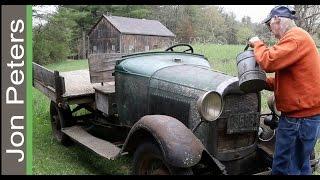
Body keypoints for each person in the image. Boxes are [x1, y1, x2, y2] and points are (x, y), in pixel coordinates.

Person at [248, 5, 320, 175]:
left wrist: (257, 43)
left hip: (299, 120)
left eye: (269, 25)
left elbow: (268, 61)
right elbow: (289, 80)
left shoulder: (294, 38)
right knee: (301, 166)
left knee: (284, 169)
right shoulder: (299, 38)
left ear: (277, 20)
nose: (271, 31)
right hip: (307, 117)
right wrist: (262, 82)